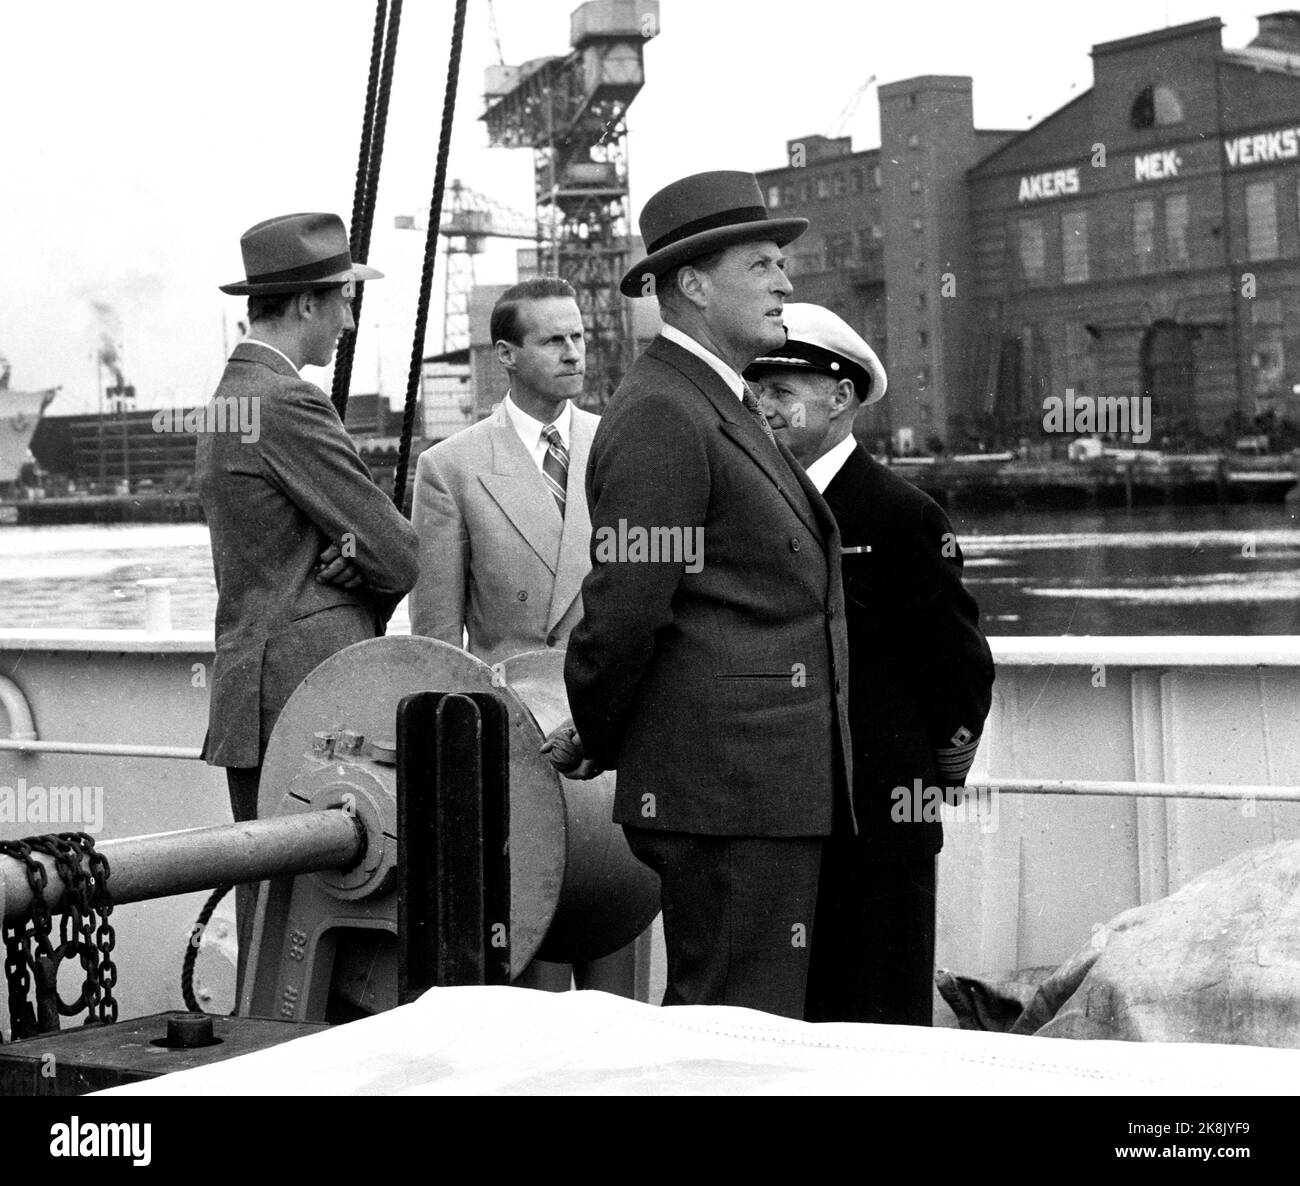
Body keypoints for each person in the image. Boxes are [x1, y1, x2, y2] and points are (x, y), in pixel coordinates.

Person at [554, 172, 855, 1020]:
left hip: (759, 787)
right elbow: (625, 612)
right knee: (733, 1034)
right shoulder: (664, 414)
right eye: (762, 264)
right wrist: (607, 732)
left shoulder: (717, 401)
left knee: (750, 1032)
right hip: (728, 793)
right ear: (692, 284)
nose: (786, 284)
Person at [747, 302, 995, 1025]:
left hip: (883, 822)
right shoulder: (752, 506)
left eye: (782, 391)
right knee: (788, 1028)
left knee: (881, 1025)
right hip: (781, 819)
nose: (763, 406)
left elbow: (959, 665)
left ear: (841, 396)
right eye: (757, 389)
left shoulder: (899, 515)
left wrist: (935, 772)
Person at [198, 211, 419, 997]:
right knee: (341, 925)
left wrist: (345, 553)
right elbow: (400, 550)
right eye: (342, 302)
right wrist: (359, 564)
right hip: (313, 696)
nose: (348, 321)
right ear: (304, 306)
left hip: (254, 696)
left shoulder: (229, 398)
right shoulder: (287, 402)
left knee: (275, 926)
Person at [410, 277, 634, 994]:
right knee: (527, 959)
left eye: (579, 337)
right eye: (553, 340)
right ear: (505, 354)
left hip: (617, 737)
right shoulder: (452, 468)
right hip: (517, 747)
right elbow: (440, 640)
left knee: (617, 962)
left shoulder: (625, 446)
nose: (574, 353)